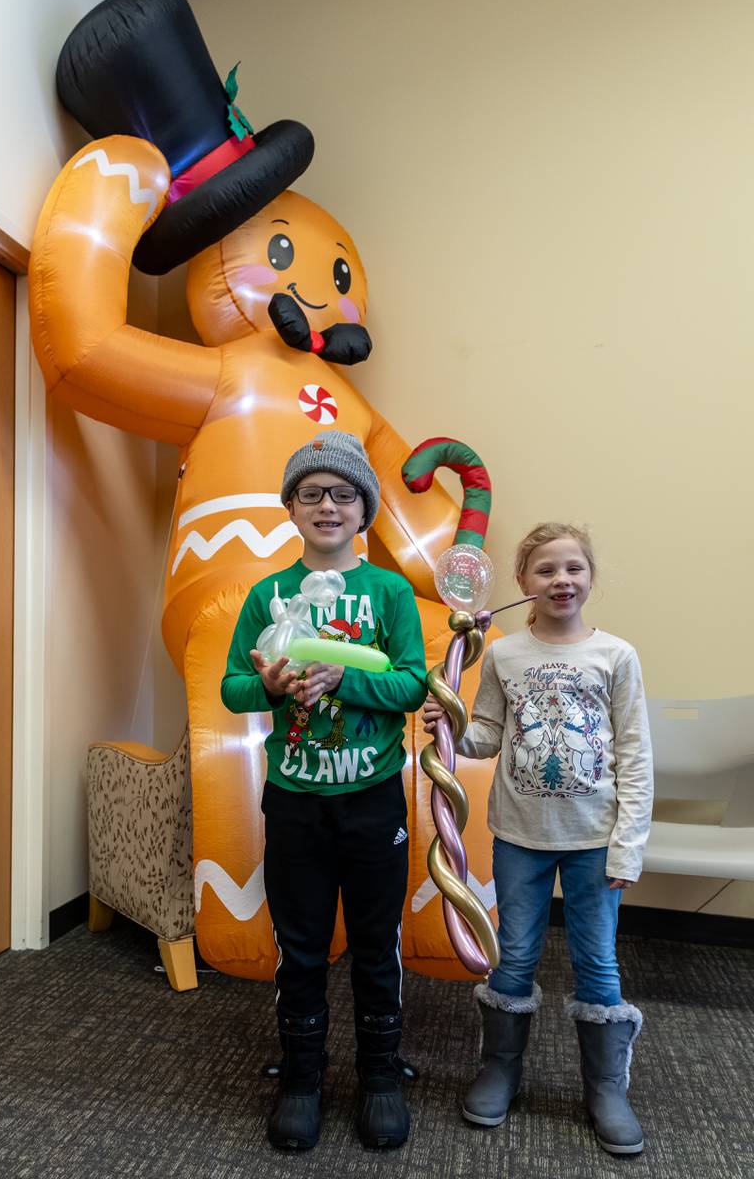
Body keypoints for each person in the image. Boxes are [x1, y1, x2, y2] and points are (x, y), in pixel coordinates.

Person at [221, 430, 427, 1152]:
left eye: (342, 494)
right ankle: (302, 1080)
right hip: (296, 802)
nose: (328, 506)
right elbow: (232, 687)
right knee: (301, 945)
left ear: (364, 509)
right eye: (311, 494)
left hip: (372, 801)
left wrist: (348, 678)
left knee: (375, 942)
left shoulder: (390, 591)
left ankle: (379, 1078)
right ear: (291, 508)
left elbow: (412, 685)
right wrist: (269, 685)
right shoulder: (266, 595)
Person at [423, 522, 653, 1156]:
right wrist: (449, 726)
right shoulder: (502, 654)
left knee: (597, 964)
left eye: (574, 568)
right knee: (515, 955)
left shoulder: (616, 656)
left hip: (594, 839)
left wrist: (627, 844)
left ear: (590, 579)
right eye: (546, 570)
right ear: (523, 583)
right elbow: (487, 737)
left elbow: (635, 755)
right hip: (519, 836)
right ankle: (501, 1069)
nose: (562, 580)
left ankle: (606, 1088)